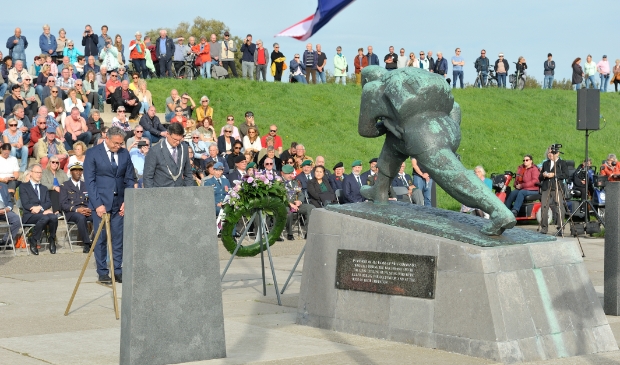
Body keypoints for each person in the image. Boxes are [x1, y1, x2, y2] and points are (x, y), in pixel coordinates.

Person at [83, 126, 134, 283]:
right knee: (101, 239)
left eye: (121, 143)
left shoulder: (124, 154)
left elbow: (130, 178)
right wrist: (97, 204)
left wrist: (128, 200)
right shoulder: (93, 153)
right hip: (101, 204)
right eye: (116, 143)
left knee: (118, 239)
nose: (118, 146)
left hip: (119, 204)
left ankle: (117, 270)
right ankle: (102, 272)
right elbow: (90, 181)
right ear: (107, 138)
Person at [21, 163, 59, 255]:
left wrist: (41, 208)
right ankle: (34, 240)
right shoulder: (24, 186)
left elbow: (48, 202)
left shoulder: (44, 188)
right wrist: (40, 210)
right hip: (29, 215)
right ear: (31, 173)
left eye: (40, 172)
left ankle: (51, 239)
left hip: (42, 213)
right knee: (45, 217)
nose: (39, 174)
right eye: (37, 172)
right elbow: (25, 204)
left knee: (53, 217)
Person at [143, 123, 193, 188]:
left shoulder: (184, 148)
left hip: (179, 192)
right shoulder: (155, 151)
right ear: (167, 134)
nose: (178, 142)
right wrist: (152, 195)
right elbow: (147, 177)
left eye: (179, 140)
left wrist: (189, 191)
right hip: (161, 193)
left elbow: (188, 173)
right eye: (175, 139)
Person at [60, 163, 93, 253]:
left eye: (80, 170)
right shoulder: (65, 186)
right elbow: (63, 204)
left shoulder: (85, 185)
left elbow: (91, 200)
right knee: (80, 217)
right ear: (71, 172)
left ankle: (96, 242)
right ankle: (86, 243)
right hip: (72, 212)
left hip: (86, 210)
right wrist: (77, 210)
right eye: (75, 170)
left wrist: (89, 208)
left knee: (97, 216)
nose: (78, 172)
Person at [539, 146, 568, 234]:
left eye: (552, 152)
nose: (550, 154)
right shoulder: (545, 164)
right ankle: (544, 228)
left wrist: (554, 175)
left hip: (557, 187)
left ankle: (560, 228)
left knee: (559, 207)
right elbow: (539, 177)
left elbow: (566, 175)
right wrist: (543, 175)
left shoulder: (562, 163)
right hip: (546, 187)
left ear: (557, 153)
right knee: (544, 207)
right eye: (549, 153)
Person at [281, 164, 314, 240]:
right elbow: (280, 197)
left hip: (296, 204)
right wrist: (290, 204)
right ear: (282, 173)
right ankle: (290, 233)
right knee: (289, 212)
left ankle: (308, 232)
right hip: (285, 204)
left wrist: (300, 201)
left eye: (291, 173)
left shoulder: (295, 182)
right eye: (288, 173)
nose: (290, 175)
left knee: (311, 208)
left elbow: (300, 193)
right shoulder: (279, 183)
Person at [0, 181, 21, 248]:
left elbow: (9, 201)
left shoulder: (4, 186)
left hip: (5, 210)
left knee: (17, 219)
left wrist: (8, 208)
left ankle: (5, 241)